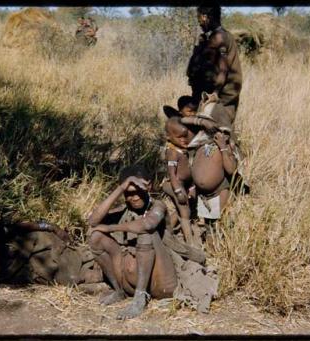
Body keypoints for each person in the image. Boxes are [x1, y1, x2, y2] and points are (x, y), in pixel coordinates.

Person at [87, 165, 177, 319]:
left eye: (139, 192)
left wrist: (111, 227)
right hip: (130, 280)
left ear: (149, 187)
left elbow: (147, 225)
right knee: (96, 236)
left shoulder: (158, 206)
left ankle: (139, 299)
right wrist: (121, 188)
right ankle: (119, 290)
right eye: (129, 193)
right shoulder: (124, 209)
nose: (134, 197)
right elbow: (93, 222)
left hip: (160, 282)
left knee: (145, 233)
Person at [0, 206, 102, 286]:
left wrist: (51, 227)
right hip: (39, 268)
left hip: (42, 247)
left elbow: (21, 227)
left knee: (83, 256)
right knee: (73, 275)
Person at [186, 2, 242, 127]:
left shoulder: (219, 37)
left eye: (199, 17)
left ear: (205, 17)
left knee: (215, 129)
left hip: (220, 97)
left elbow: (223, 69)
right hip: (211, 95)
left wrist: (215, 93)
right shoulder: (212, 37)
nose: (199, 22)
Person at [161, 116, 201, 247]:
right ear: (169, 137)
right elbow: (172, 174)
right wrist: (178, 190)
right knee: (185, 212)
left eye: (186, 136)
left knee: (181, 211)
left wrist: (192, 186)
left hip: (184, 185)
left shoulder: (184, 150)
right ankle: (190, 243)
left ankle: (166, 232)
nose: (184, 140)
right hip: (175, 184)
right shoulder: (172, 152)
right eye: (179, 137)